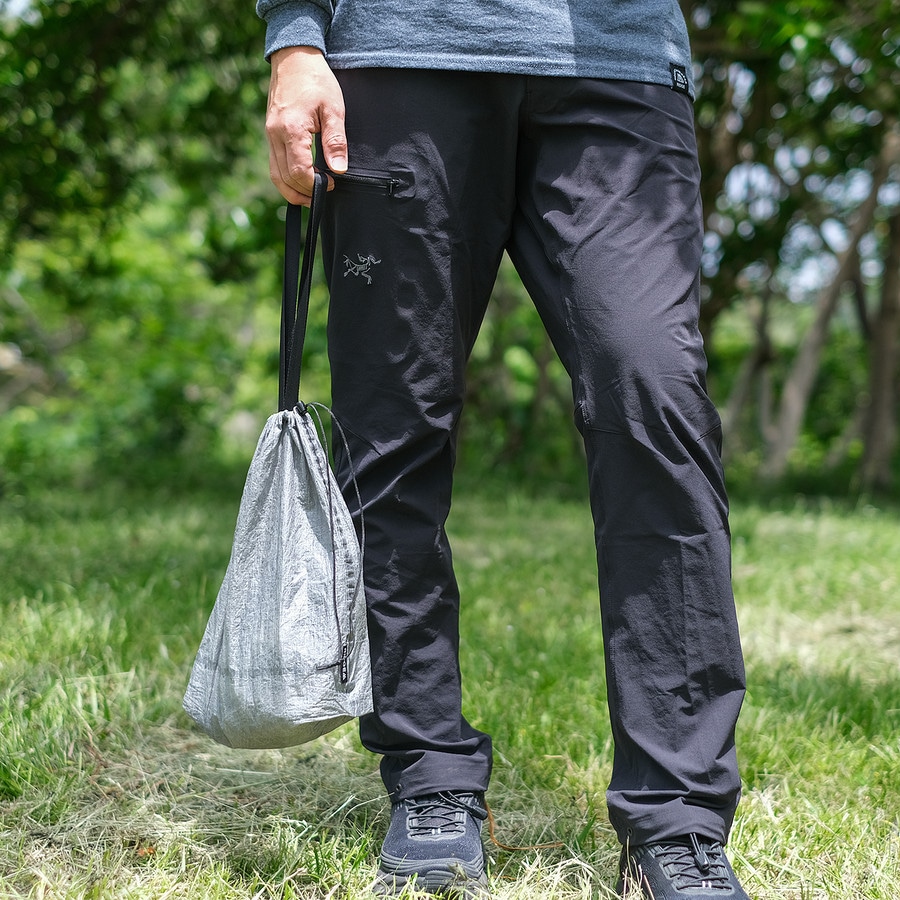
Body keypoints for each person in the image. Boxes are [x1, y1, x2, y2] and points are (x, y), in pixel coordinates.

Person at [257, 1, 751, 898]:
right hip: (402, 52)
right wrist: (294, 39)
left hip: (619, 62)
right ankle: (430, 776)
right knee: (394, 429)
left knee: (655, 399)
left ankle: (677, 815)